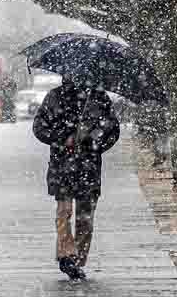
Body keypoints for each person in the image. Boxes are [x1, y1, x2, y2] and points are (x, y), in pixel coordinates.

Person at [32, 74, 120, 281]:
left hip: (88, 167)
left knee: (85, 218)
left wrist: (91, 143)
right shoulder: (55, 97)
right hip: (62, 165)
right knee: (64, 211)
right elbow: (39, 128)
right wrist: (63, 138)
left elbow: (112, 130)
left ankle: (77, 260)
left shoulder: (99, 98)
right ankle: (66, 254)